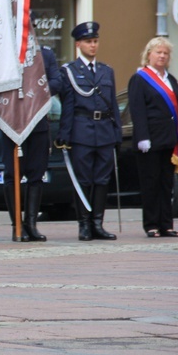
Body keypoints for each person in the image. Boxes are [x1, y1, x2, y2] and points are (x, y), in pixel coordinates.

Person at [55, 21, 121, 241]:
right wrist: (64, 134)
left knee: (102, 180)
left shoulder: (106, 71)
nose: (93, 45)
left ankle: (97, 223)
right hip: (81, 131)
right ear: (78, 44)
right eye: (88, 42)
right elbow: (68, 106)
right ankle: (83, 223)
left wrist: (117, 132)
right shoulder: (70, 72)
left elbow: (112, 104)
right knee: (83, 180)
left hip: (104, 131)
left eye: (95, 41)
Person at [129, 37, 178, 238]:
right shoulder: (140, 79)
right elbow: (137, 110)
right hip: (150, 139)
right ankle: (152, 224)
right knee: (151, 183)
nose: (162, 56)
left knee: (166, 183)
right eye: (158, 52)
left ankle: (166, 223)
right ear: (149, 54)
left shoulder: (170, 79)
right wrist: (142, 137)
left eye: (165, 53)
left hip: (169, 138)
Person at [1, 45, 61, 242]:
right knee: (12, 174)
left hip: (37, 122)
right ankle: (16, 226)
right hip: (13, 121)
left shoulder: (45, 53)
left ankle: (31, 224)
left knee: (36, 174)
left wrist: (34, 92)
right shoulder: (5, 52)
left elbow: (56, 82)